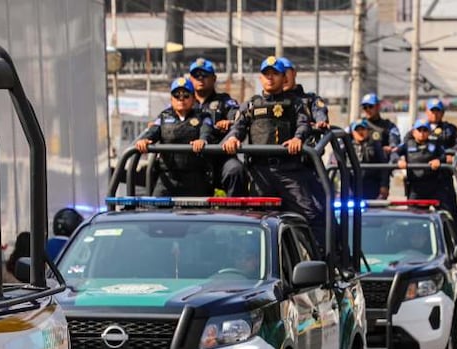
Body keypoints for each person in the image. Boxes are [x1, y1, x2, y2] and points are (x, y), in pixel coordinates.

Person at [223, 56, 324, 242]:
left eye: (275, 74)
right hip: (259, 172)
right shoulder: (251, 105)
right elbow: (238, 127)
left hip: (289, 171)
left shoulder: (295, 103)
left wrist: (297, 138)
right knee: (257, 221)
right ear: (260, 78)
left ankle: (320, 263)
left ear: (284, 78)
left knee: (311, 216)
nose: (270, 78)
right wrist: (232, 138)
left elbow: (304, 125)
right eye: (266, 74)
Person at [135, 77, 214, 196]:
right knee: (154, 209)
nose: (181, 99)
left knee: (199, 213)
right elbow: (153, 131)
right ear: (171, 99)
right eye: (177, 96)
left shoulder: (203, 116)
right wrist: (144, 140)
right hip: (168, 177)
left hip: (194, 177)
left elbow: (206, 131)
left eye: (186, 95)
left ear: (193, 98)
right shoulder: (164, 116)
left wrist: (202, 140)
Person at [189, 57, 248, 196]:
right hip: (191, 159)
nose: (200, 79)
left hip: (220, 157)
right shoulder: (184, 100)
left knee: (235, 170)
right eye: (196, 75)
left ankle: (235, 213)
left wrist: (231, 122)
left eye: (205, 75)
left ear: (214, 78)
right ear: (190, 79)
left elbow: (239, 120)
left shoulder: (225, 102)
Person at [392, 119, 456, 219]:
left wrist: (439, 160)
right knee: (412, 216)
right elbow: (394, 153)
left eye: (425, 130)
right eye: (419, 130)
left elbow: (445, 156)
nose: (422, 133)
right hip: (415, 187)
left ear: (429, 132)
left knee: (446, 215)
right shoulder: (407, 145)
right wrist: (398, 161)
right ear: (413, 132)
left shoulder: (436, 144)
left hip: (434, 186)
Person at [277, 57, 329, 138]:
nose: (283, 78)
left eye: (285, 72)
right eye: (278, 74)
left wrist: (321, 122)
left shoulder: (311, 100)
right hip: (277, 149)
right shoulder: (270, 102)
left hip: (305, 148)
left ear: (294, 73)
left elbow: (319, 112)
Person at [349, 118, 388, 199]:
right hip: (352, 185)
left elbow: (384, 167)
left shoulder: (376, 145)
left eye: (362, 129)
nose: (360, 132)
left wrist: (384, 185)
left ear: (367, 131)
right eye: (357, 130)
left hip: (371, 185)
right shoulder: (347, 146)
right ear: (352, 132)